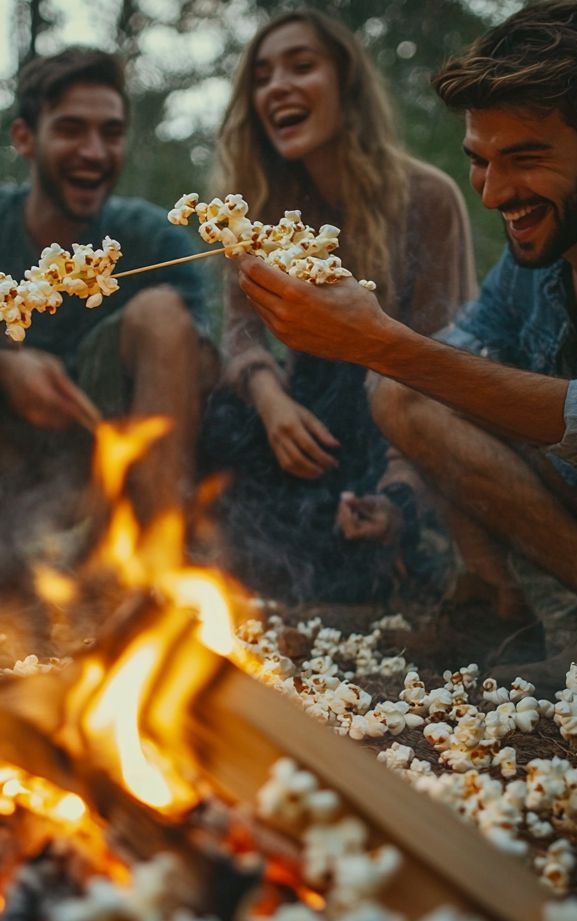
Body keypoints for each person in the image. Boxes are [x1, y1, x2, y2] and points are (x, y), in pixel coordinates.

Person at [231, 0, 577, 690]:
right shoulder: (535, 256)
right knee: (403, 387)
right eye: (479, 161)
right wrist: (397, 487)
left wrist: (384, 342)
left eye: (523, 159)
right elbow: (437, 370)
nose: (493, 193)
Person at [0, 47, 214, 558]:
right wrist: (1, 361)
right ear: (24, 138)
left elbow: (204, 366)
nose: (95, 151)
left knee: (165, 311)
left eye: (112, 133)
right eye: (71, 129)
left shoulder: (156, 240)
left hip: (94, 473)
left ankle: (156, 569)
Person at [199, 10, 475, 604]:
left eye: (302, 67)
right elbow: (241, 337)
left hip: (392, 418)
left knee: (362, 560)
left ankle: (395, 532)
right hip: (300, 417)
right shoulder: (252, 212)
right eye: (263, 77)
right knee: (216, 422)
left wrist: (400, 485)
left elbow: (442, 361)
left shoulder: (427, 197)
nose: (278, 87)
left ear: (346, 86)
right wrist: (271, 403)